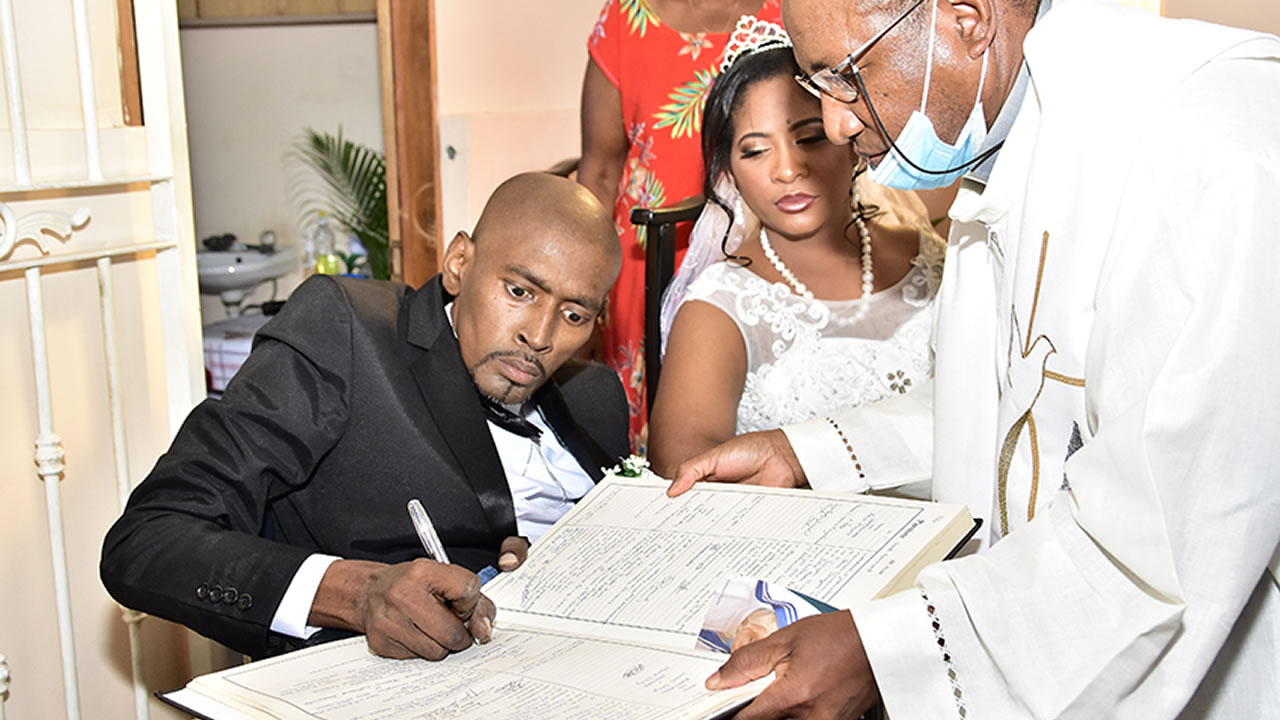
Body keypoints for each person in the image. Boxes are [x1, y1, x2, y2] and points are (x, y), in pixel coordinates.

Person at [669, 0, 1280, 718]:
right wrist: (804, 452)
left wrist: (892, 653)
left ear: (968, 19)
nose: (834, 124)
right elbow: (1007, 398)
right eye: (817, 86)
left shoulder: (1211, 146)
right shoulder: (1006, 145)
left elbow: (1164, 543)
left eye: (844, 76)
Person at [100, 173, 628, 660]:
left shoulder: (596, 398)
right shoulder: (349, 333)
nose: (540, 335)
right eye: (519, 291)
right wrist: (357, 595)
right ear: (459, 262)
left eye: (574, 314)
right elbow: (147, 540)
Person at [648, 18, 943, 486]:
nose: (787, 170)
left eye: (809, 138)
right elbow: (684, 469)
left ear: (851, 137)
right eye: (755, 151)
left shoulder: (933, 259)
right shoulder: (720, 306)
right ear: (730, 172)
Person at [578, 0, 783, 452]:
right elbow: (600, 171)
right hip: (642, 258)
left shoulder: (788, 14)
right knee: (642, 429)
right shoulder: (625, 17)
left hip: (756, 251)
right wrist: (581, 288)